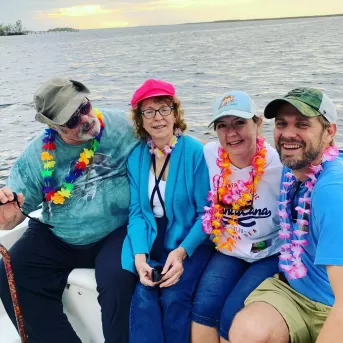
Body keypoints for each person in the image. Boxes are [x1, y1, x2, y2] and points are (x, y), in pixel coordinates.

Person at [0, 77, 138, 343]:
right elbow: (11, 217)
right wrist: (6, 216)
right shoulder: (37, 154)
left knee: (118, 281)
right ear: (53, 126)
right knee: (10, 275)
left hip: (116, 230)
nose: (84, 119)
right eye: (71, 120)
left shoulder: (123, 126)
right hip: (58, 233)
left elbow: (170, 144)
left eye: (84, 107)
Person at [229, 87, 343, 343]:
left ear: (330, 132)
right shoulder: (291, 168)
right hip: (294, 293)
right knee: (248, 331)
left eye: (302, 124)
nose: (289, 134)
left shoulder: (333, 191)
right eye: (282, 124)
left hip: (334, 305)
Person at [121, 79, 214, 343]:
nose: (157, 117)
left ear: (175, 113)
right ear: (141, 119)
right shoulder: (137, 157)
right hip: (152, 239)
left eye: (163, 109)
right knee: (143, 296)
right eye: (148, 111)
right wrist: (140, 257)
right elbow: (138, 212)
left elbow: (205, 213)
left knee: (174, 295)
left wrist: (182, 252)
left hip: (191, 239)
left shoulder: (195, 152)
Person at [191, 91, 283, 343]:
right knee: (203, 310)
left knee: (233, 314)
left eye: (239, 123)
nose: (231, 133)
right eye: (222, 126)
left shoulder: (281, 166)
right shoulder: (209, 155)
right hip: (228, 250)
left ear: (258, 123)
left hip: (269, 253)